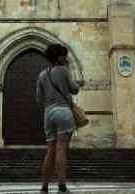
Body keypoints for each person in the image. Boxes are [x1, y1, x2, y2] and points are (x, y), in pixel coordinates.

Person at [36, 44, 84, 194]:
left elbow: (38, 98)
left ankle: (44, 187)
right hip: (63, 111)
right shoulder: (63, 71)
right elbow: (75, 88)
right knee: (61, 149)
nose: (66, 58)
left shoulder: (42, 74)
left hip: (48, 113)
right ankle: (62, 187)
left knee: (50, 150)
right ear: (59, 57)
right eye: (64, 55)